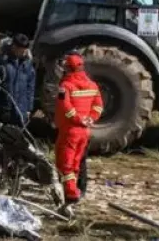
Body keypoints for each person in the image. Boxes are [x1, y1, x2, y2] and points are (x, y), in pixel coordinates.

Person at [55, 53, 103, 213]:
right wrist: (91, 119)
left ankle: (70, 193)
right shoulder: (93, 85)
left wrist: (77, 119)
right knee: (76, 163)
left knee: (65, 163)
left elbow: (65, 107)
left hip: (70, 130)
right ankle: (74, 189)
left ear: (68, 68)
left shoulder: (65, 86)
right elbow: (98, 106)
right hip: (85, 131)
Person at [0, 34, 35, 127]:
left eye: (25, 50)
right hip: (4, 110)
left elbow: (30, 87)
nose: (24, 53)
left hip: (21, 111)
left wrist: (29, 109)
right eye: (21, 50)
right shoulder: (0, 62)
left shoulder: (27, 64)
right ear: (14, 47)